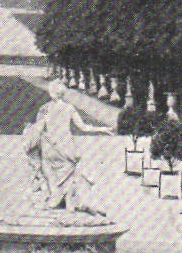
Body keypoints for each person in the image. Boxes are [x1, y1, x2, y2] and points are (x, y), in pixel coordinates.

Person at [22, 81, 113, 212]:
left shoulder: (45, 108)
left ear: (51, 92)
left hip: (50, 146)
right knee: (69, 177)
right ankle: (68, 204)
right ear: (63, 93)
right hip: (67, 147)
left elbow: (38, 129)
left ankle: (56, 201)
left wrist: (28, 134)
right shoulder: (69, 108)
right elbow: (83, 127)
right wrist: (102, 129)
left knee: (51, 175)